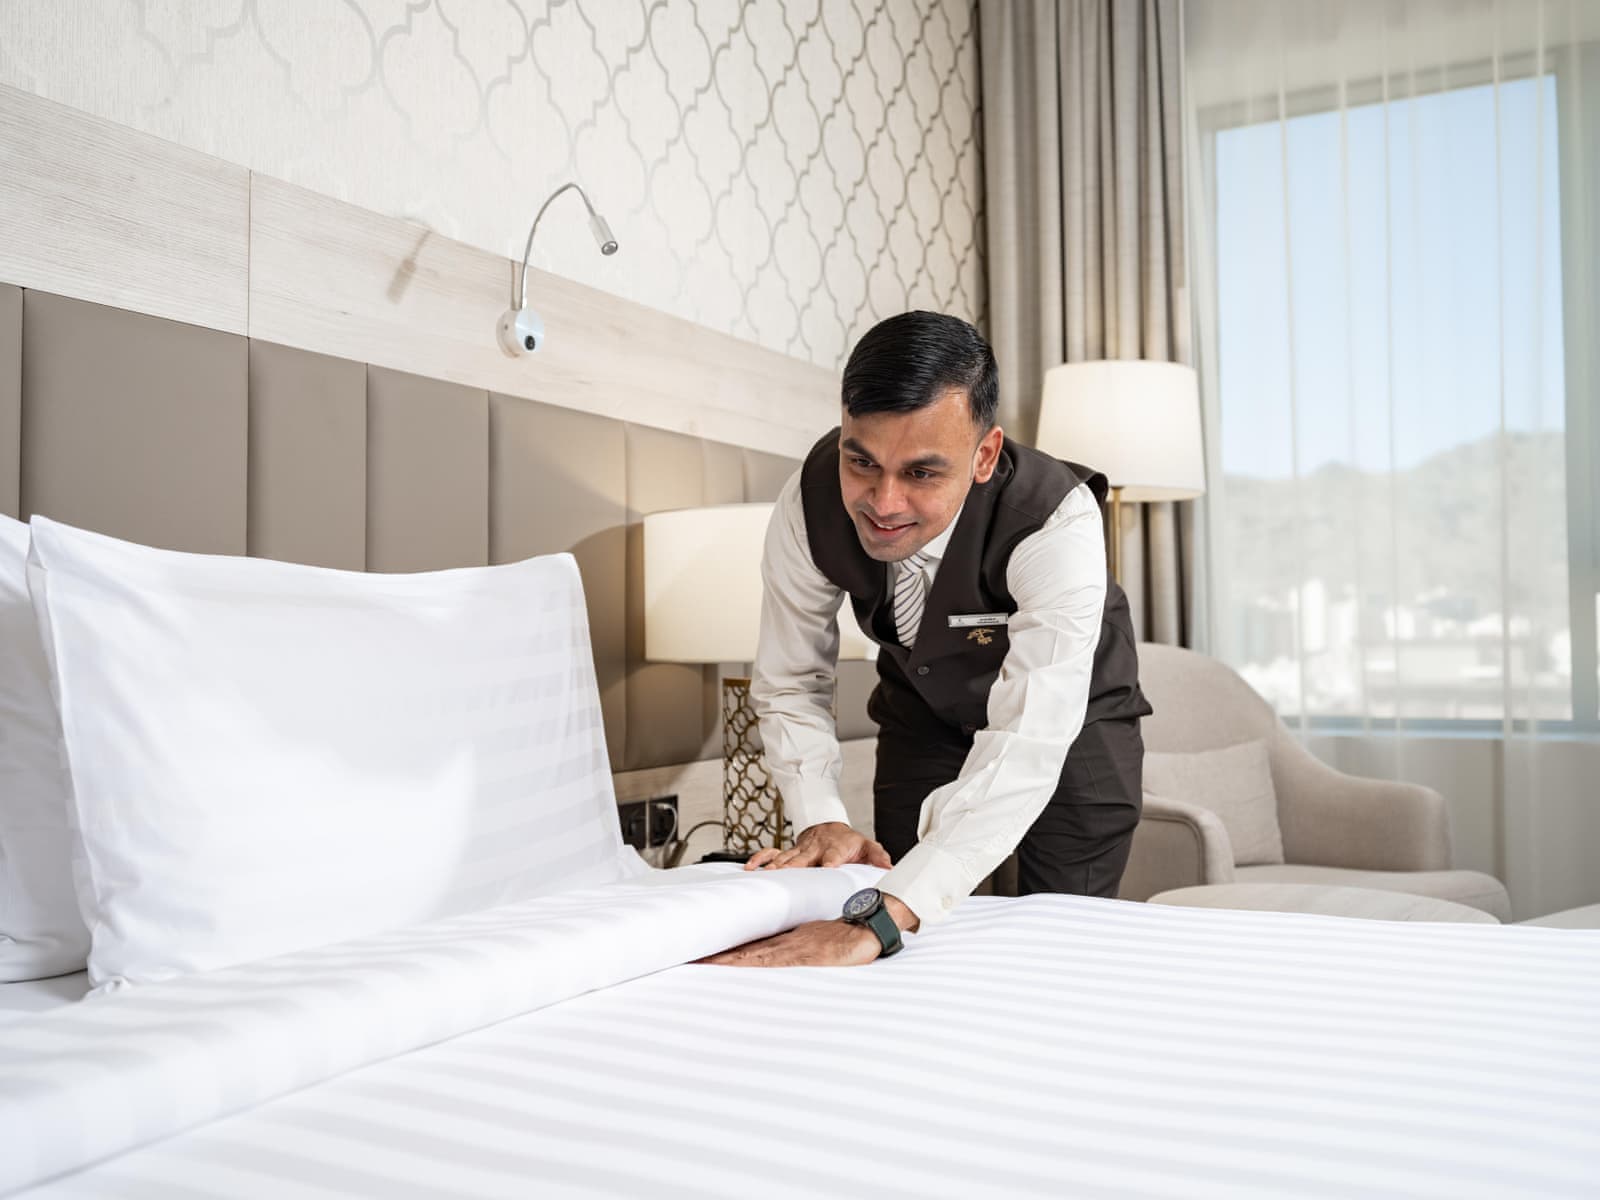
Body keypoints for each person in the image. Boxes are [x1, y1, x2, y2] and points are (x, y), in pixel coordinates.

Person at [702, 311, 1151, 968]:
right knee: (904, 950)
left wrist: (887, 915)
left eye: (921, 473)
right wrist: (820, 818)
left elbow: (1028, 738)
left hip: (1070, 727)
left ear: (985, 455)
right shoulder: (807, 505)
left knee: (1057, 944)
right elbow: (792, 680)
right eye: (862, 461)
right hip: (921, 716)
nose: (883, 503)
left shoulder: (1054, 522)